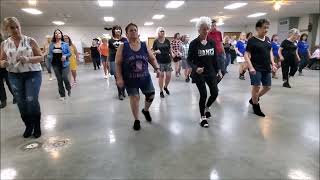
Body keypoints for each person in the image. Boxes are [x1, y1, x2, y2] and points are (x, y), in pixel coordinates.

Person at [0, 17, 43, 138]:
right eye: (12, 28)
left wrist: (28, 59)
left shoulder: (30, 41)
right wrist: (3, 63)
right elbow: (1, 59)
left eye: (17, 27)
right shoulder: (5, 44)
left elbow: (41, 57)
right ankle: (28, 125)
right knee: (21, 102)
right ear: (6, 29)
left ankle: (37, 126)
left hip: (32, 73)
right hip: (13, 75)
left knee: (31, 100)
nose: (15, 30)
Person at [115, 23, 160, 131]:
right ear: (126, 33)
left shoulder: (144, 45)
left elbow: (152, 59)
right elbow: (118, 63)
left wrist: (157, 68)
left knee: (151, 95)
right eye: (131, 30)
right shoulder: (123, 46)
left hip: (145, 78)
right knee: (135, 98)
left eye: (135, 29)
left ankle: (145, 110)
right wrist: (119, 78)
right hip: (130, 79)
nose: (134, 31)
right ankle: (136, 120)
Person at [188, 17, 221, 128]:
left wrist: (219, 70)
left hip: (211, 72)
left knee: (215, 93)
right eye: (203, 29)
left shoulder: (211, 42)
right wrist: (196, 68)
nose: (206, 31)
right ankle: (202, 117)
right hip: (199, 74)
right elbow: (189, 60)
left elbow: (215, 58)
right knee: (203, 94)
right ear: (199, 30)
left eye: (208, 28)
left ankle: (207, 107)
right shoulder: (194, 44)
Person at [245, 19, 277, 117]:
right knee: (257, 87)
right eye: (264, 28)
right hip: (255, 67)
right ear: (258, 28)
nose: (266, 30)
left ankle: (254, 98)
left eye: (267, 28)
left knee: (267, 87)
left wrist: (273, 63)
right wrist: (250, 67)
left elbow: (270, 51)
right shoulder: (252, 40)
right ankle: (256, 105)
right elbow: (246, 54)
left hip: (266, 67)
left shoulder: (267, 39)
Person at [48, 29, 72, 100]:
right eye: (55, 33)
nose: (57, 34)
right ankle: (62, 95)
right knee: (59, 80)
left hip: (65, 64)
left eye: (59, 33)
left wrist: (65, 56)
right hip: (55, 64)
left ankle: (68, 88)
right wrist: (49, 57)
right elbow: (49, 54)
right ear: (54, 35)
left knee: (65, 77)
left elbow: (69, 53)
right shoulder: (52, 44)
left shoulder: (65, 44)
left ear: (61, 35)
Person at [152, 27, 173, 98]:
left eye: (163, 31)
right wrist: (156, 52)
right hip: (159, 61)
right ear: (158, 32)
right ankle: (161, 91)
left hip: (168, 61)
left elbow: (170, 49)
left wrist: (172, 54)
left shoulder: (167, 40)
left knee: (168, 76)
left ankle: (165, 87)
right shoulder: (156, 41)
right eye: (161, 31)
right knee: (161, 76)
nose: (162, 32)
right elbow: (152, 52)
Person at [109, 25, 127, 100]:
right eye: (116, 29)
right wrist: (108, 63)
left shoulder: (125, 39)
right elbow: (109, 51)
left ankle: (123, 90)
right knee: (117, 77)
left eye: (119, 29)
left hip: (124, 60)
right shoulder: (110, 40)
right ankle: (120, 93)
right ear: (113, 31)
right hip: (114, 60)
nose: (118, 30)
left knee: (124, 77)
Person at [0, 32, 15, 108]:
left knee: (10, 83)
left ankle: (15, 96)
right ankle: (3, 100)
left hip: (5, 66)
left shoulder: (4, 43)